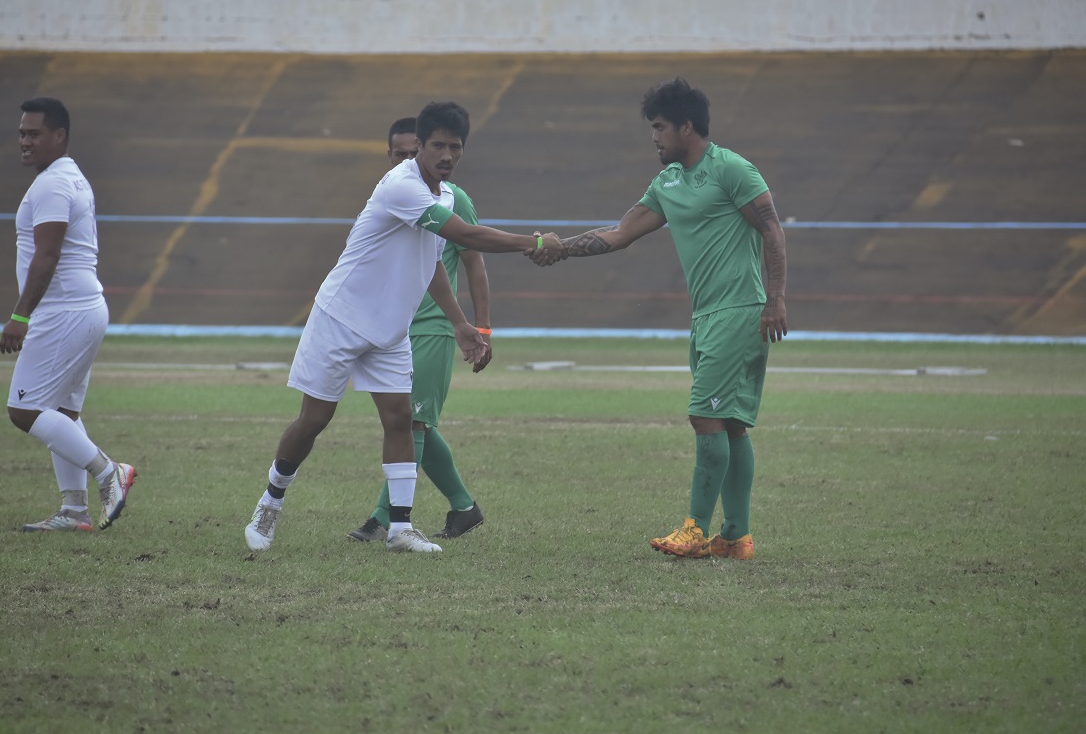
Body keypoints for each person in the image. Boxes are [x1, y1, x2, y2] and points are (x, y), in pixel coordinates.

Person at [243, 101, 557, 554]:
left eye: (455, 146)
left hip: (390, 330)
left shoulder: (444, 194)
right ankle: (270, 502)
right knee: (315, 419)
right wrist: (537, 242)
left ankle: (400, 529)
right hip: (341, 318)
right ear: (419, 148)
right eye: (438, 145)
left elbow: (431, 264)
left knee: (401, 421)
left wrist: (462, 324)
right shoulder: (402, 186)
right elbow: (467, 238)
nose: (446, 154)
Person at [530, 78, 787, 560]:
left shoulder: (731, 170)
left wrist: (776, 299)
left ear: (686, 127)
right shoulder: (667, 183)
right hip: (706, 314)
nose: (654, 137)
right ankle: (736, 537)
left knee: (705, 414)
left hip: (740, 310)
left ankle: (695, 529)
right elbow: (620, 233)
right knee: (731, 424)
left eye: (660, 127)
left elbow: (772, 228)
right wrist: (562, 249)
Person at [346, 117, 489, 544]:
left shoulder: (453, 198)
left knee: (413, 424)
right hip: (390, 326)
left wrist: (479, 326)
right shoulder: (391, 194)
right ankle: (464, 507)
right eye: (401, 154)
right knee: (415, 421)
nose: (411, 159)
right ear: (390, 156)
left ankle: (382, 518)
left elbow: (474, 260)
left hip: (432, 325)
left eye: (415, 151)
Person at [0, 97, 137, 534]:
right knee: (62, 411)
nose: (24, 141)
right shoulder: (69, 177)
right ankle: (74, 511)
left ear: (59, 136)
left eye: (34, 133)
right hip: (83, 309)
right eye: (22, 133)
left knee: (24, 410)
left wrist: (20, 317)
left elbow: (47, 255)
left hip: (64, 314)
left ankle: (107, 471)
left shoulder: (53, 186)